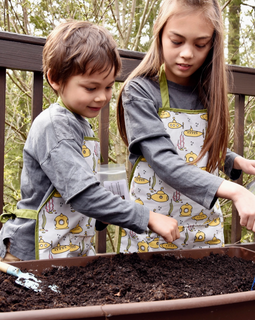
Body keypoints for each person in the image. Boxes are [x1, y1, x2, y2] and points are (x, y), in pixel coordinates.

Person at [0, 20, 180, 262]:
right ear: (55, 79)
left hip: (63, 246)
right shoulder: (55, 125)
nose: (102, 97)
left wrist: (101, 215)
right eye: (90, 87)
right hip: (30, 254)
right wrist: (147, 216)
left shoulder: (80, 124)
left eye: (108, 87)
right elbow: (83, 195)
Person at [116, 0, 255, 254]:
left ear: (212, 44)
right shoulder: (140, 91)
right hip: (154, 236)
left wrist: (233, 161)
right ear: (159, 33)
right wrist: (236, 192)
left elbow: (195, 147)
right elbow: (165, 160)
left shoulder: (207, 91)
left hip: (204, 232)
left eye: (200, 44)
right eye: (177, 41)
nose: (188, 53)